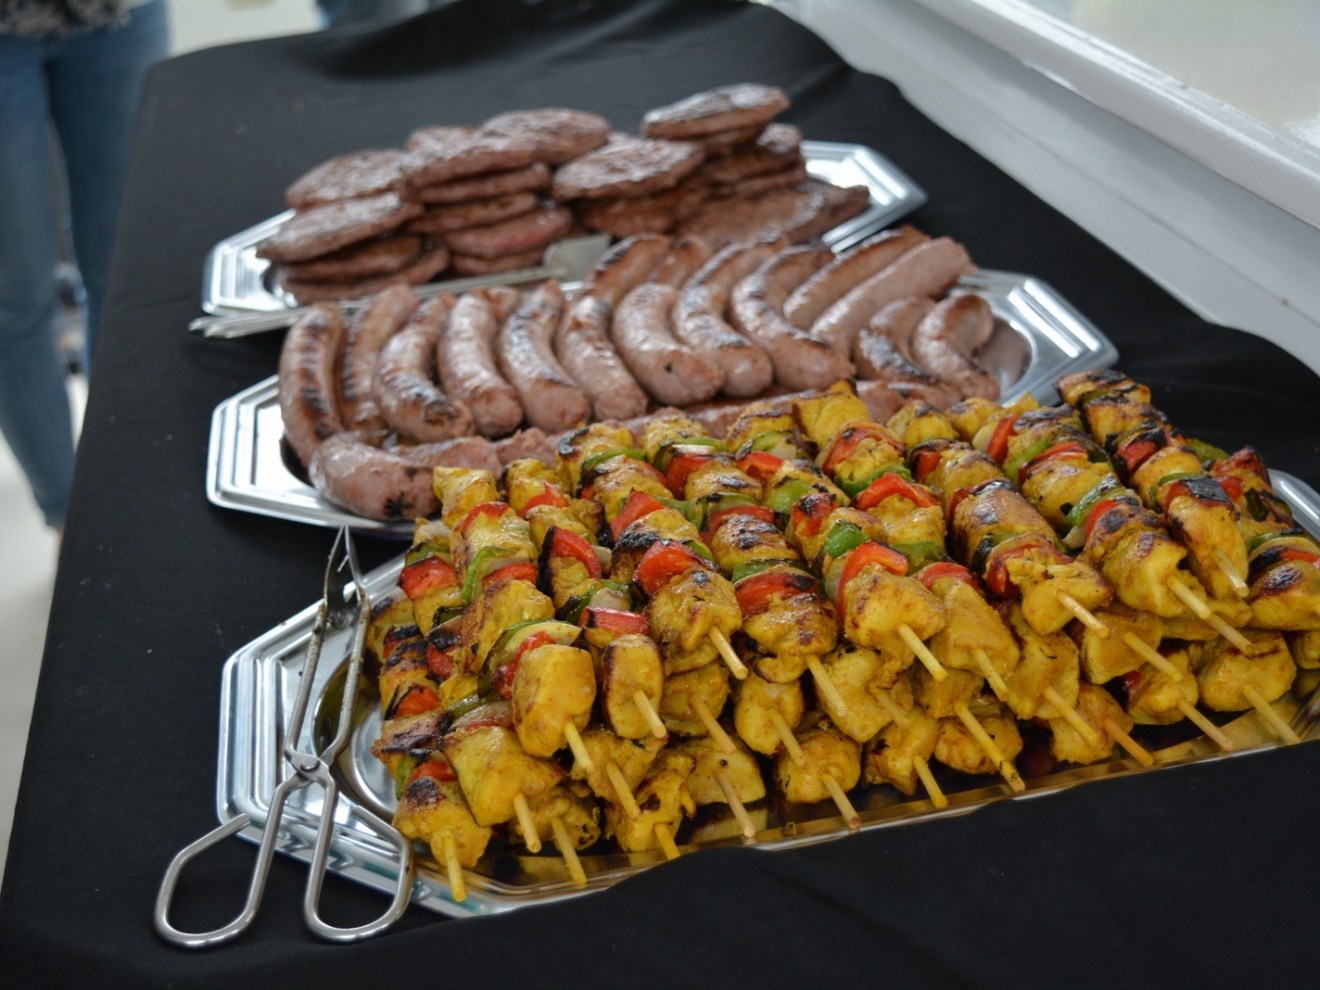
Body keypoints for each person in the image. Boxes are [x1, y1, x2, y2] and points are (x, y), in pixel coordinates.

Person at [0, 0, 169, 532]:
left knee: (127, 278)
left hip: (118, 14)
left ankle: (126, 502)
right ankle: (70, 522)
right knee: (14, 303)